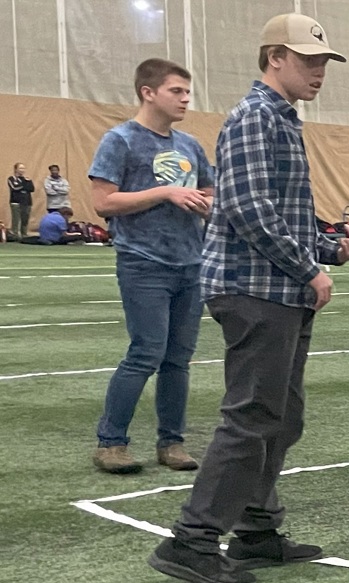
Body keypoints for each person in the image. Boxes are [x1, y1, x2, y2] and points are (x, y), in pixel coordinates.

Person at [148, 14, 349, 583]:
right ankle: (194, 540)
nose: (319, 71)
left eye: (323, 61)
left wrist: (330, 248)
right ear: (274, 57)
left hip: (274, 288)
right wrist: (310, 268)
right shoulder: (254, 118)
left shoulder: (276, 118)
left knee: (279, 416)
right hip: (258, 289)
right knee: (252, 417)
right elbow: (248, 209)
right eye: (308, 60)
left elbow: (278, 212)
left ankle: (255, 527)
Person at [88, 58, 216, 475]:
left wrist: (206, 204)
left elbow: (209, 194)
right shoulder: (120, 140)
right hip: (143, 262)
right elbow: (103, 202)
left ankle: (171, 442)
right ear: (149, 92)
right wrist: (165, 192)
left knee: (178, 359)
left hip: (190, 263)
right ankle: (111, 442)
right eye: (176, 91)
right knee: (145, 353)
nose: (185, 98)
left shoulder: (191, 146)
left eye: (186, 91)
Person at [8, 163, 34, 237]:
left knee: (25, 219)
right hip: (16, 202)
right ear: (16, 169)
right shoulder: (11, 179)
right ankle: (15, 234)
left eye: (23, 168)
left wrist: (24, 185)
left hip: (27, 202)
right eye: (20, 168)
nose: (22, 170)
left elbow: (31, 189)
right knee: (16, 219)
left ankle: (24, 234)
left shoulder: (27, 179)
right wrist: (24, 186)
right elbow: (14, 188)